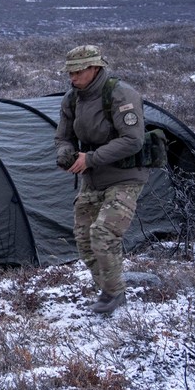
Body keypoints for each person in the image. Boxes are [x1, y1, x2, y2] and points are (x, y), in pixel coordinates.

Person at [54, 44, 149, 314]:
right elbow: (63, 136)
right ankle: (110, 286)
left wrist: (91, 158)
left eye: (78, 72)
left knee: (103, 232)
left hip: (125, 175)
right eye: (69, 72)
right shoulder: (72, 98)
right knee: (84, 238)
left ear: (95, 68)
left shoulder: (121, 94)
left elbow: (133, 140)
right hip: (93, 176)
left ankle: (113, 294)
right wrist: (66, 155)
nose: (72, 77)